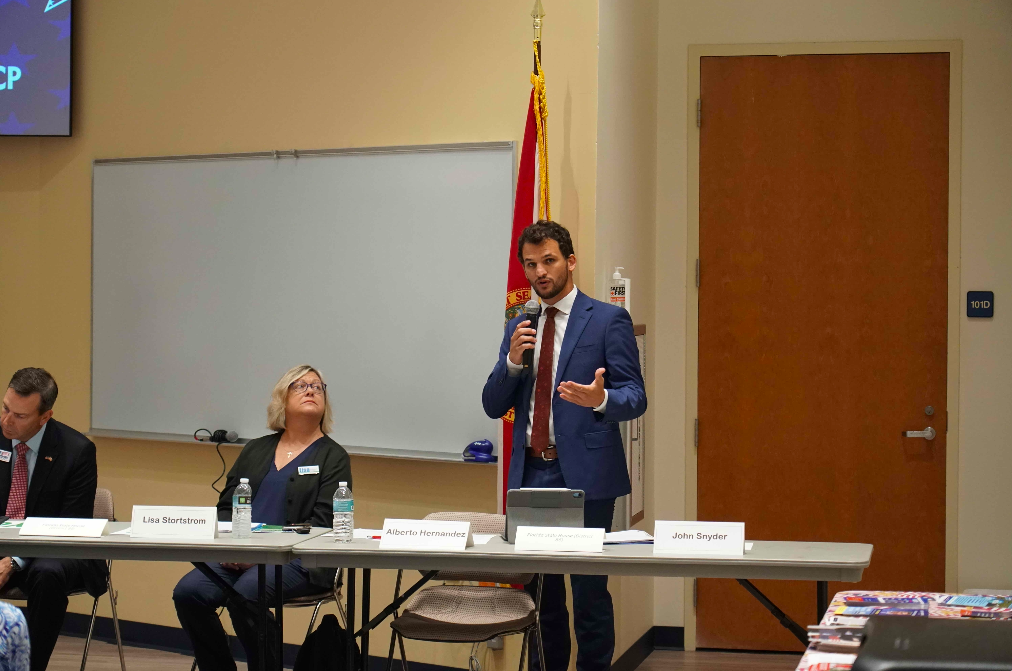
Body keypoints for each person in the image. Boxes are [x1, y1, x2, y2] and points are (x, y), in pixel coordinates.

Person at [482, 220, 647, 671]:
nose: (540, 273)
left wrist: (603, 400)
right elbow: (493, 405)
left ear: (570, 261)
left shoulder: (608, 319)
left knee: (589, 597)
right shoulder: (520, 326)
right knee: (542, 599)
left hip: (588, 476)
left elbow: (636, 397)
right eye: (531, 265)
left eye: (549, 261)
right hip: (532, 475)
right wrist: (513, 362)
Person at [173, 365, 351, 671]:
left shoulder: (332, 457)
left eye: (318, 387)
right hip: (240, 555)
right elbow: (226, 508)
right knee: (189, 593)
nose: (311, 390)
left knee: (245, 594)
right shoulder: (256, 449)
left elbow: (324, 524)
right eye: (300, 386)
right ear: (282, 398)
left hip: (300, 560)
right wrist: (235, 548)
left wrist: (261, 554)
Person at [0, 367, 107, 671]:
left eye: (19, 416)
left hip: (56, 550)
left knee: (47, 573)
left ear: (44, 416)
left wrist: (14, 559)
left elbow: (70, 524)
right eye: (5, 408)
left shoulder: (77, 451)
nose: (7, 421)